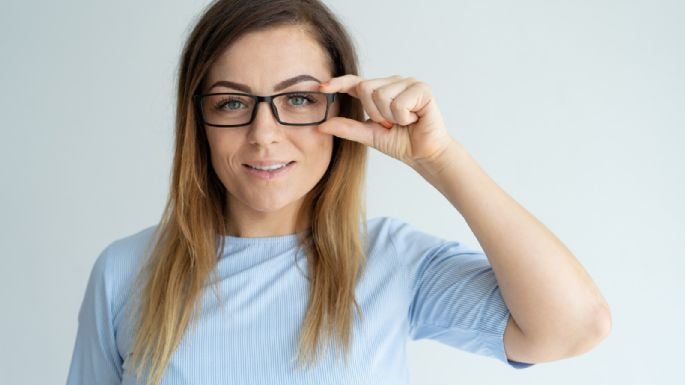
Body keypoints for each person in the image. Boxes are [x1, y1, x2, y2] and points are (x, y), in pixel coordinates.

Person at [65, 0, 612, 384]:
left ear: (341, 109)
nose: (264, 134)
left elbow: (575, 327)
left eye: (298, 100)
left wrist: (440, 159)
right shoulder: (126, 271)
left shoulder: (391, 262)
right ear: (199, 121)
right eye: (232, 102)